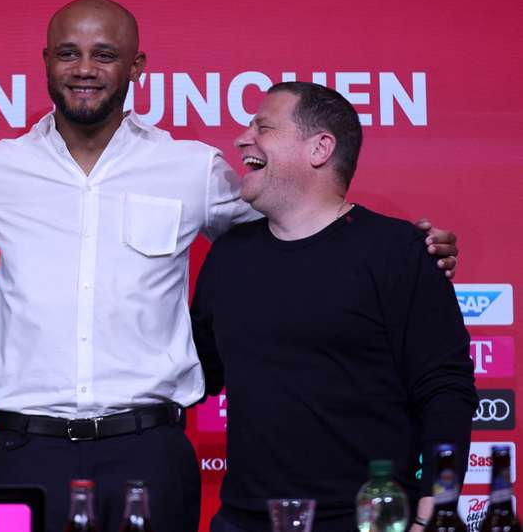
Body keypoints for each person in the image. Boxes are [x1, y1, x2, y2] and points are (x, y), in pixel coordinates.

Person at [0, 0, 459, 532]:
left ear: (136, 67)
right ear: (45, 60)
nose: (84, 70)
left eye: (104, 54)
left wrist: (411, 251)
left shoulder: (192, 168)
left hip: (149, 453)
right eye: (68, 54)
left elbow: (301, 218)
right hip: (22, 448)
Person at [190, 82, 476, 532]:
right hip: (241, 522)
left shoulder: (398, 252)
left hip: (368, 522)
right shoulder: (228, 257)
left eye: (262, 127)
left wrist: (431, 515)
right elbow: (191, 375)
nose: (242, 139)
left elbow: (446, 393)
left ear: (320, 148)